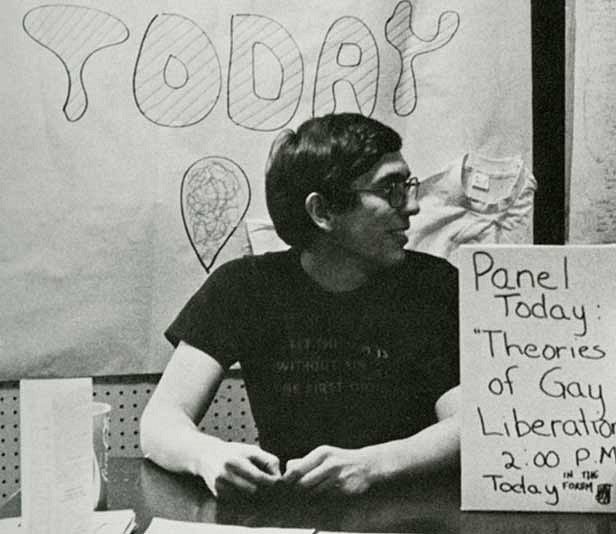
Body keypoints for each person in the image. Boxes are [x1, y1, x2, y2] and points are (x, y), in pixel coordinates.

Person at [141, 113, 460, 499]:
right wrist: (208, 456)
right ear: (322, 212)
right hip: (290, 515)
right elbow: (160, 422)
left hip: (414, 512)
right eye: (390, 188)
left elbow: (470, 423)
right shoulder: (243, 287)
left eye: (407, 185)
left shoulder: (434, 286)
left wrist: (372, 465)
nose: (411, 207)